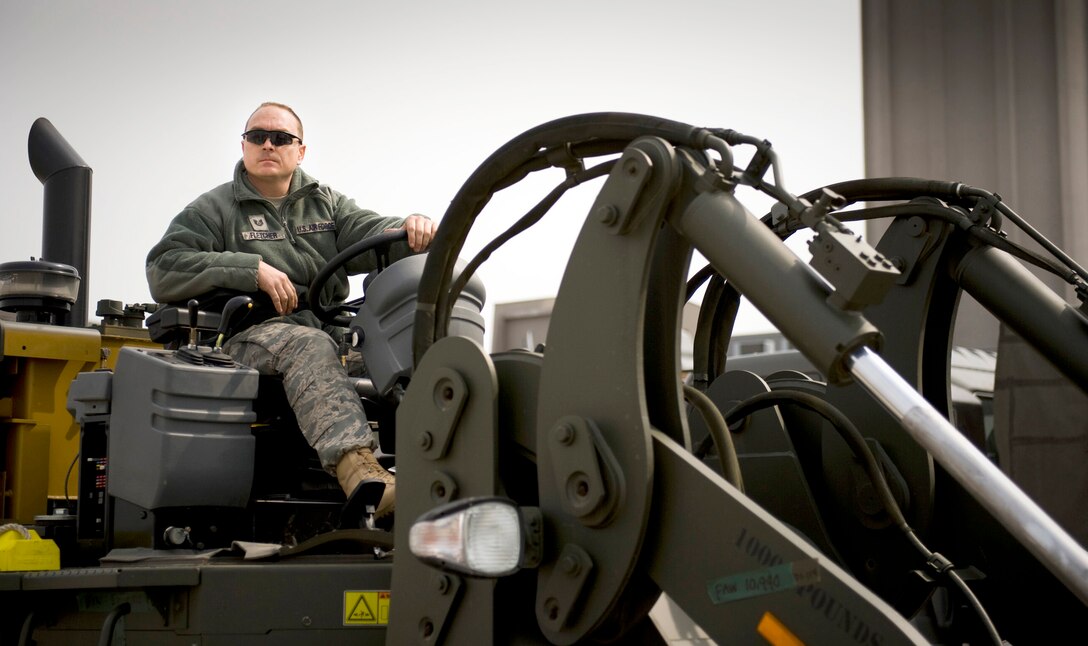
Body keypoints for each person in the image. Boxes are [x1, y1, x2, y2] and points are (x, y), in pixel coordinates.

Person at [146, 101, 436, 520]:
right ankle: (364, 475)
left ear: (300, 151)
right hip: (245, 339)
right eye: (257, 137)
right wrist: (250, 269)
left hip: (328, 331)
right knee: (309, 345)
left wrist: (412, 229)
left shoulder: (326, 204)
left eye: (281, 138)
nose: (268, 144)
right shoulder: (213, 210)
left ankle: (443, 467)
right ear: (243, 145)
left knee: (407, 351)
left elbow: (372, 231)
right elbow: (163, 267)